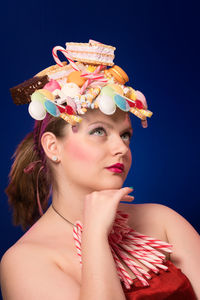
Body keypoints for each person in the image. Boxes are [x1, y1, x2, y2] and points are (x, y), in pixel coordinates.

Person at [0, 39, 200, 300]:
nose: (121, 147)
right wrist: (94, 236)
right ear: (52, 147)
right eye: (98, 131)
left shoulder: (163, 221)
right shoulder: (23, 262)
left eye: (125, 135)